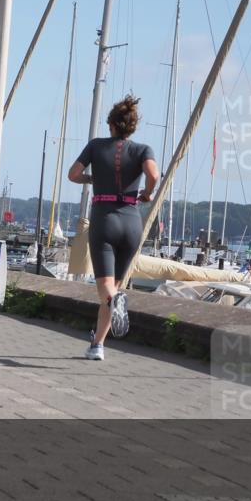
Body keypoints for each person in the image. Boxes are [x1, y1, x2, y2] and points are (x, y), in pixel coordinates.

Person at [68, 95, 159, 361]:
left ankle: (114, 308)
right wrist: (148, 194)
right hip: (132, 221)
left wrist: (91, 177)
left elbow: (72, 174)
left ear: (111, 124)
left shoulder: (96, 146)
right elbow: (153, 175)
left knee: (106, 290)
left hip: (104, 219)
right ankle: (97, 345)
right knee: (114, 290)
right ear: (132, 127)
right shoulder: (143, 149)